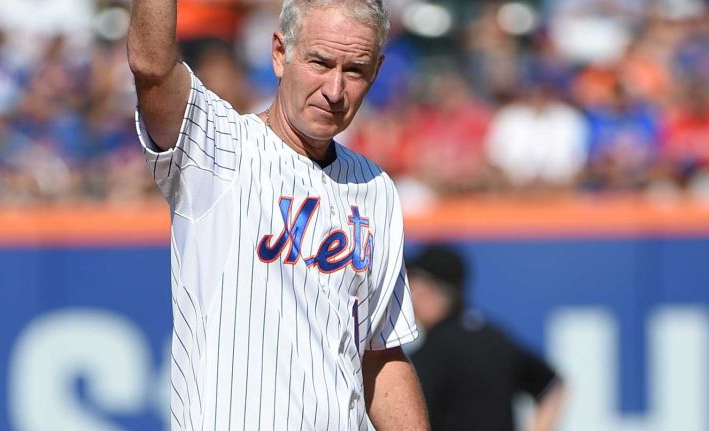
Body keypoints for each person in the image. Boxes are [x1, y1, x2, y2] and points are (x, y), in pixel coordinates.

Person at [127, 0, 429, 430]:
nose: (335, 89)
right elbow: (152, 68)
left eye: (355, 70)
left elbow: (380, 354)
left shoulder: (375, 187)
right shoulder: (218, 148)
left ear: (377, 72)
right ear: (279, 53)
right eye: (320, 62)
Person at [407, 245, 566, 431]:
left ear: (429, 290)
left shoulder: (432, 351)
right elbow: (552, 386)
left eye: (412, 283)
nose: (410, 294)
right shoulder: (493, 338)